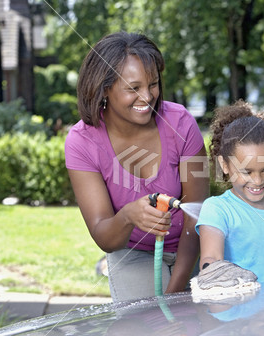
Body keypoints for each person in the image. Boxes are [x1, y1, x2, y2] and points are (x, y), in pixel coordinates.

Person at [65, 32, 209, 302]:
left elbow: (197, 216)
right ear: (103, 87)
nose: (147, 96)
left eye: (152, 84)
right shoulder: (82, 142)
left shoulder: (180, 123)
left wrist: (174, 294)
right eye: (133, 88)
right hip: (134, 254)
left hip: (197, 247)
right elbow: (104, 237)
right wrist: (128, 216)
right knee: (144, 334)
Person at [195, 100, 264, 284]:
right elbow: (211, 260)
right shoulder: (217, 209)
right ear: (224, 165)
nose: (257, 181)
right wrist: (210, 269)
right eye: (246, 172)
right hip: (235, 311)